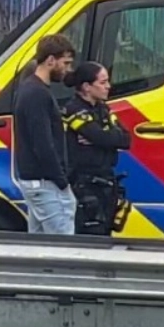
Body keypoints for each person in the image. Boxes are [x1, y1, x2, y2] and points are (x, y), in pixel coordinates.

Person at [11, 33, 76, 235]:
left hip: (38, 181)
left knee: (40, 246)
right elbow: (43, 144)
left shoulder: (30, 89)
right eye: (65, 63)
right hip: (46, 183)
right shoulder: (37, 94)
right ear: (50, 60)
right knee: (62, 246)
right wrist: (61, 181)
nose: (68, 69)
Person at [61, 62, 132, 235]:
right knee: (90, 235)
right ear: (86, 87)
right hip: (83, 183)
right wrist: (104, 136)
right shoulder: (73, 109)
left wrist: (103, 137)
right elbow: (100, 137)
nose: (108, 86)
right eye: (103, 82)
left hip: (106, 182)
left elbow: (125, 139)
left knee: (106, 233)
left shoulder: (103, 109)